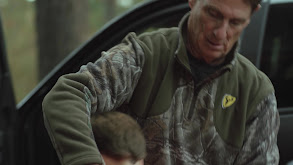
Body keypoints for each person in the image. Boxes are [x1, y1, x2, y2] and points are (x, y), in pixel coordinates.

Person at [42, 0, 280, 164]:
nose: (220, 32)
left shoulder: (256, 93)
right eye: (213, 14)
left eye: (235, 22)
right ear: (193, 1)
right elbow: (67, 96)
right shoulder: (145, 55)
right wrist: (88, 161)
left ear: (251, 16)